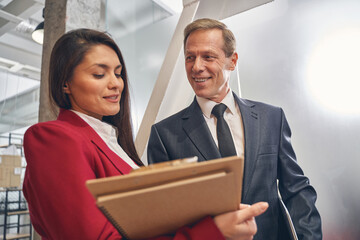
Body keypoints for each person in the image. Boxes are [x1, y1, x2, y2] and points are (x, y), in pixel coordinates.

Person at [23, 28, 268, 240]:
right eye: (99, 74)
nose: (116, 83)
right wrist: (210, 232)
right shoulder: (53, 138)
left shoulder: (113, 142)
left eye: (118, 73)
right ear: (65, 83)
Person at [147, 18, 322, 240]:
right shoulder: (164, 135)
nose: (196, 66)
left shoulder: (271, 118)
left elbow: (296, 189)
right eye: (190, 57)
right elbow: (165, 217)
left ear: (232, 61)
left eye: (208, 56)